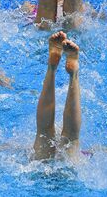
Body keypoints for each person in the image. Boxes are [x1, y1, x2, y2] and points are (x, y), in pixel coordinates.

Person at [33, 31, 81, 161]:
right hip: (69, 175)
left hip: (39, 170)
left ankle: (51, 68)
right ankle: (73, 75)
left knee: (43, 133)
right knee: (72, 138)